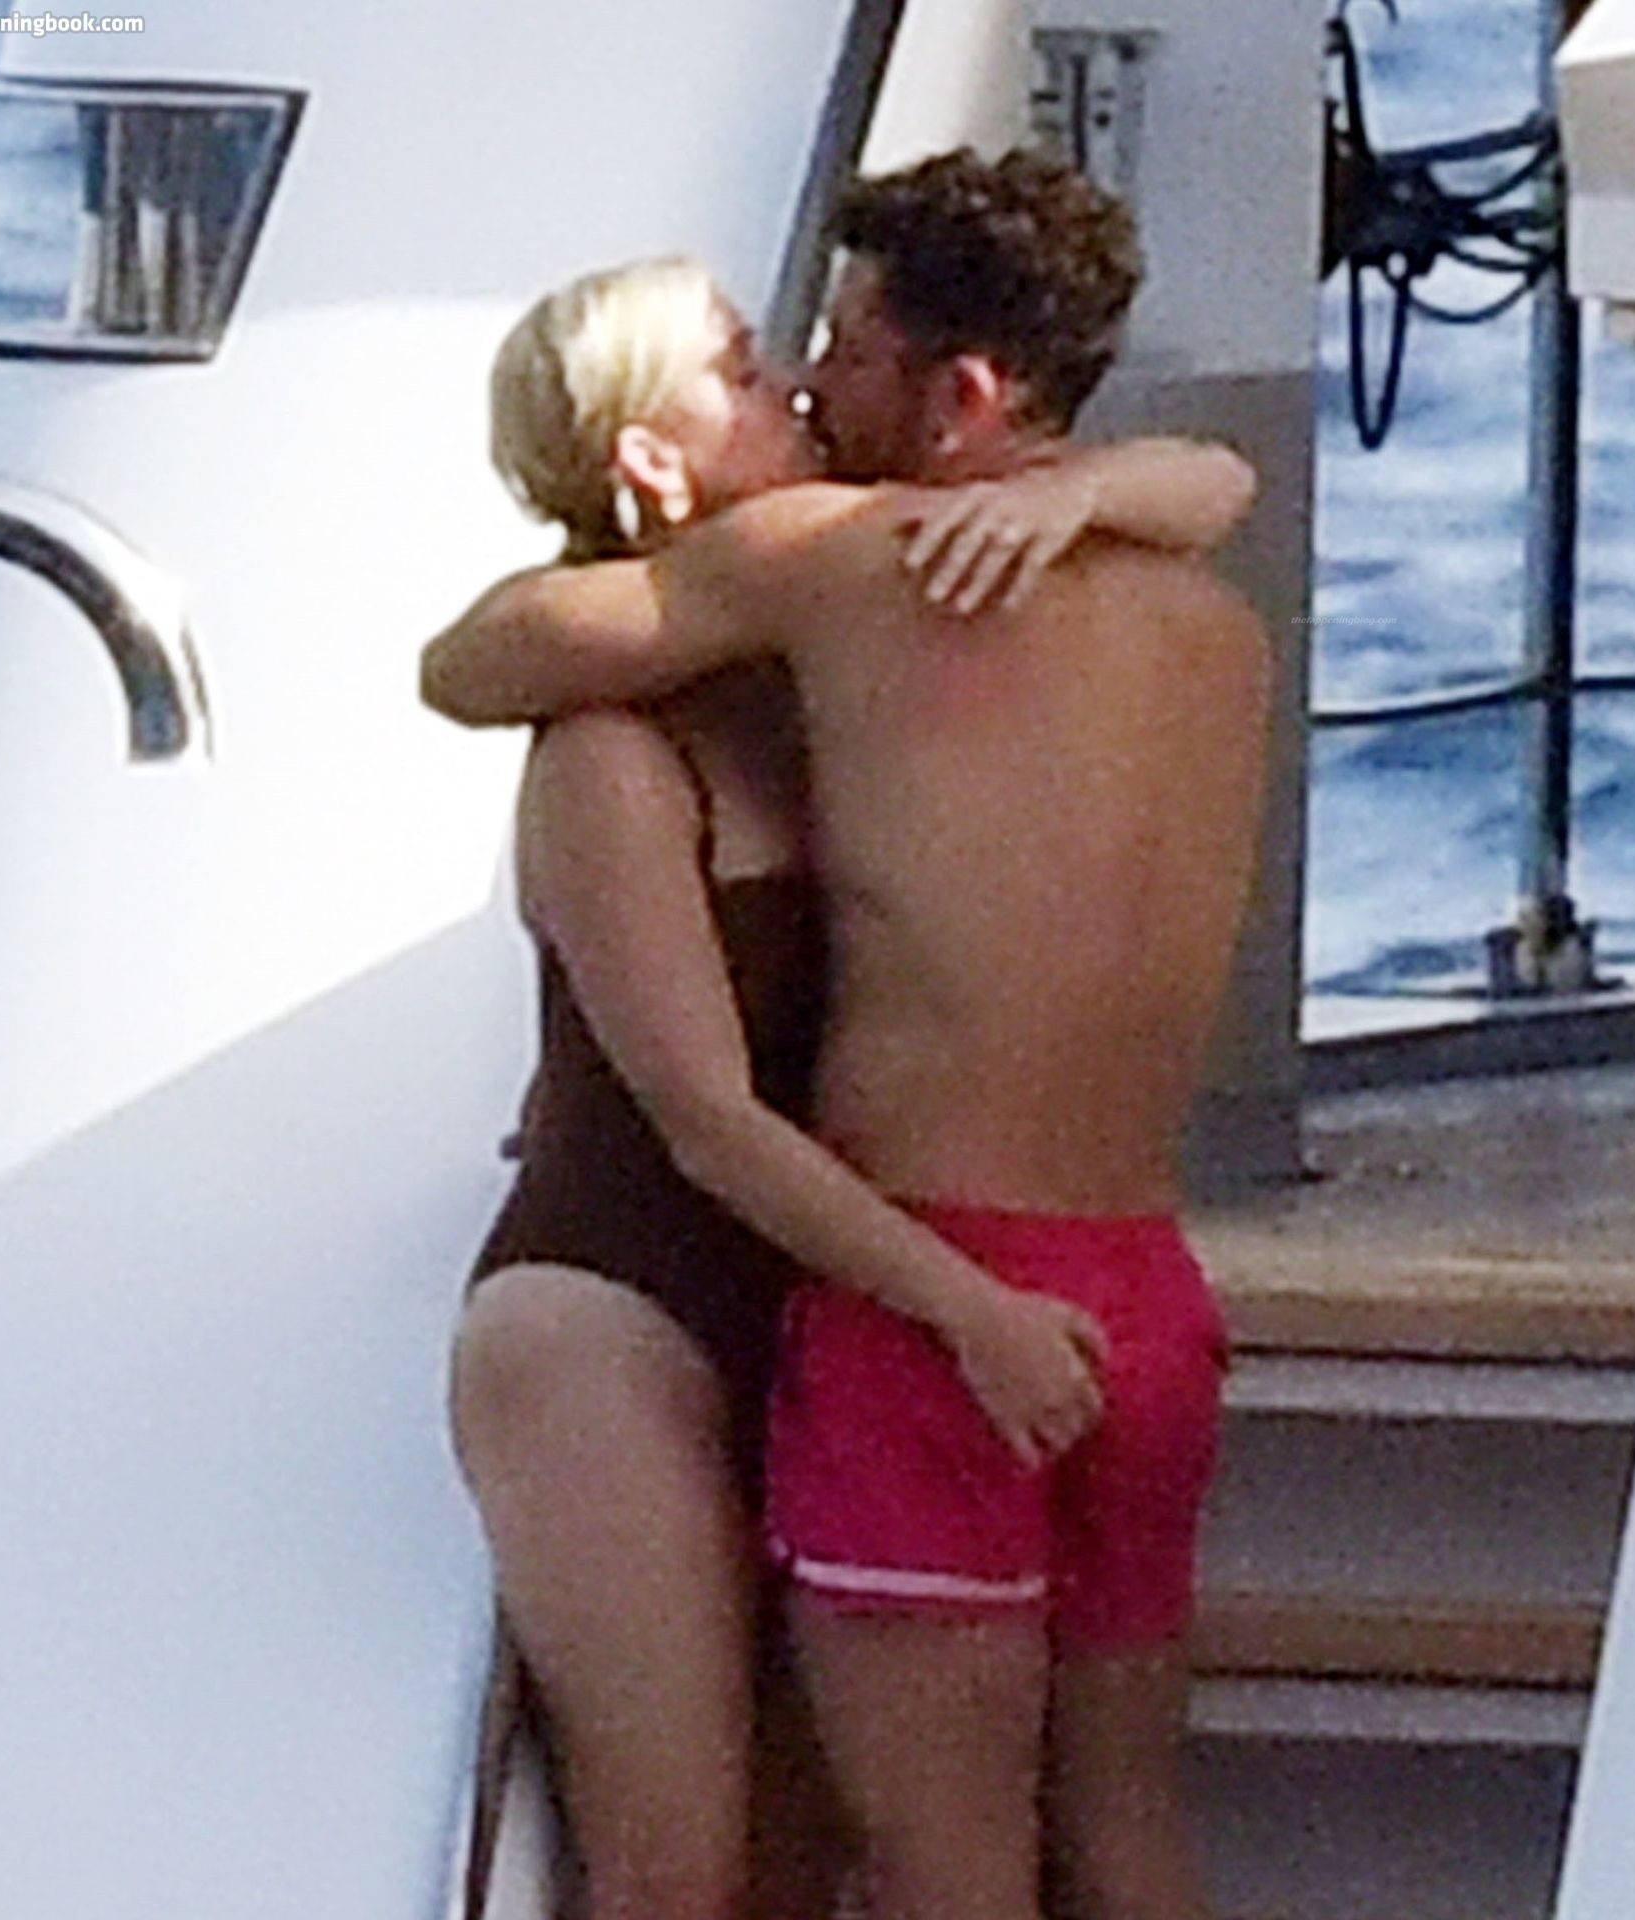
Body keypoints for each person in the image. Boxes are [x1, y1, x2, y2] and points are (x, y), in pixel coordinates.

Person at [426, 147, 1270, 1920]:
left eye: (827, 347)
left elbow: (461, 662)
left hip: (919, 1300)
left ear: (960, 395)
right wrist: (1116, 484)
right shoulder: (1210, 626)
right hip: (1037, 1292)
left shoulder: (835, 590)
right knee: (1090, 1836)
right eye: (751, 366)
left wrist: (1095, 487)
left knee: (914, 1866)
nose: (805, 383)